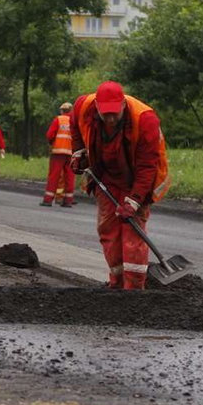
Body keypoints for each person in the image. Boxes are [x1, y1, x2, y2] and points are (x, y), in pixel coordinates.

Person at [70, 81, 169, 290]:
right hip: (105, 177)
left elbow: (146, 166)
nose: (111, 118)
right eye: (106, 114)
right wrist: (78, 152)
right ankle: (116, 284)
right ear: (97, 106)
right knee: (108, 230)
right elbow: (75, 125)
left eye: (115, 113)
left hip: (136, 179)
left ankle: (133, 290)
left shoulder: (145, 120)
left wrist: (134, 201)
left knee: (132, 234)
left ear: (123, 104)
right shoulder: (83, 106)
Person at [40, 102, 75, 207]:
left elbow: (50, 135)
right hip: (71, 153)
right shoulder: (75, 122)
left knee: (54, 176)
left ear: (62, 111)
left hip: (58, 152)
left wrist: (52, 143)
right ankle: (68, 201)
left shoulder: (58, 119)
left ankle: (48, 200)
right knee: (69, 177)